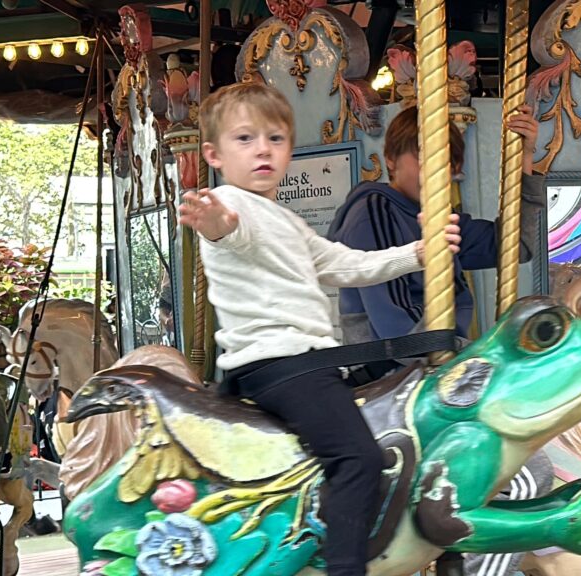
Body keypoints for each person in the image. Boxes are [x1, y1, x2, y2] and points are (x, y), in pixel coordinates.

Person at [177, 82, 461, 576]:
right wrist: (215, 222)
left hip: (305, 363)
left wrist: (415, 254)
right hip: (279, 365)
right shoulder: (230, 203)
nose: (262, 149)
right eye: (244, 139)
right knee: (361, 461)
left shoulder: (283, 218)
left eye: (275, 138)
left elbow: (341, 264)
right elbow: (231, 232)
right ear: (214, 155)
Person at [327, 105, 544, 353]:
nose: (437, 170)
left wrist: (524, 157)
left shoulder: (441, 218)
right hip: (391, 371)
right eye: (423, 156)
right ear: (390, 158)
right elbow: (401, 333)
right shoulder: (374, 212)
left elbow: (515, 246)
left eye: (446, 160)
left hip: (432, 358)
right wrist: (478, 355)